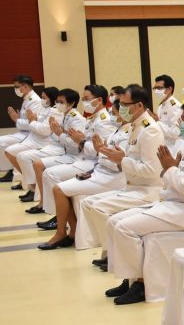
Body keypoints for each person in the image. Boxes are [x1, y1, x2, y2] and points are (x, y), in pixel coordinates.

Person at [104, 98, 184, 305]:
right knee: (114, 221)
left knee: (125, 228)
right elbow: (174, 180)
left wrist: (171, 168)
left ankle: (141, 284)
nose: (181, 124)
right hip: (173, 204)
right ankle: (130, 277)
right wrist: (171, 168)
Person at [80, 85, 165, 270]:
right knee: (87, 203)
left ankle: (113, 253)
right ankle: (110, 250)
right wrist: (110, 154)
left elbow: (152, 170)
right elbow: (127, 159)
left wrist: (122, 160)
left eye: (126, 104)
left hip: (148, 190)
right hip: (132, 185)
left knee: (100, 208)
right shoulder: (135, 126)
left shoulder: (150, 130)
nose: (121, 107)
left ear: (139, 105)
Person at [39, 95, 127, 251]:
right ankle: (70, 230)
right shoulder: (111, 126)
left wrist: (82, 142)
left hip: (107, 172)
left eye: (114, 113)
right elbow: (99, 150)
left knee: (58, 186)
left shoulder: (107, 123)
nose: (111, 116)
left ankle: (63, 232)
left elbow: (110, 158)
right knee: (60, 186)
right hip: (98, 166)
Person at [36, 85, 114, 232]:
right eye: (83, 98)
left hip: (94, 163)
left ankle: (59, 219)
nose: (83, 102)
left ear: (99, 100)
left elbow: (101, 151)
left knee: (50, 174)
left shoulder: (103, 120)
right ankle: (60, 217)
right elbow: (80, 143)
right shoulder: (92, 119)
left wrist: (79, 141)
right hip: (83, 158)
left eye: (86, 99)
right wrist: (75, 140)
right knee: (48, 172)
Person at [21, 88, 88, 214]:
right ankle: (44, 203)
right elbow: (63, 137)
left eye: (61, 102)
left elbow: (75, 144)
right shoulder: (65, 115)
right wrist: (58, 133)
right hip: (65, 151)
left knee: (42, 168)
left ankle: (52, 210)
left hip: (75, 156)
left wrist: (59, 133)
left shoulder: (76, 118)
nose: (57, 104)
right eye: (57, 101)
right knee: (37, 164)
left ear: (72, 103)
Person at [5, 86, 58, 200]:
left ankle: (33, 187)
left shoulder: (54, 111)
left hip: (43, 141)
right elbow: (36, 123)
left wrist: (31, 121)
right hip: (33, 137)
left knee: (21, 156)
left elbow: (44, 130)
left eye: (44, 97)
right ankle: (31, 184)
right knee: (13, 153)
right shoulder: (45, 108)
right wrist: (30, 121)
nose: (42, 100)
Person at [0, 76, 44, 182]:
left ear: (25, 86)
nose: (15, 89)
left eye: (17, 87)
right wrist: (18, 119)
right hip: (23, 132)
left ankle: (12, 171)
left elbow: (32, 123)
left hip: (30, 135)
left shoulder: (35, 100)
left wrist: (17, 120)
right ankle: (11, 170)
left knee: (1, 142)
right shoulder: (27, 98)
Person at [152, 75, 183, 148]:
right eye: (155, 88)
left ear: (169, 89)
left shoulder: (175, 106)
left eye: (159, 88)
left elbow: (177, 132)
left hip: (172, 148)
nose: (156, 91)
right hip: (161, 145)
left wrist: (157, 122)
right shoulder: (161, 105)